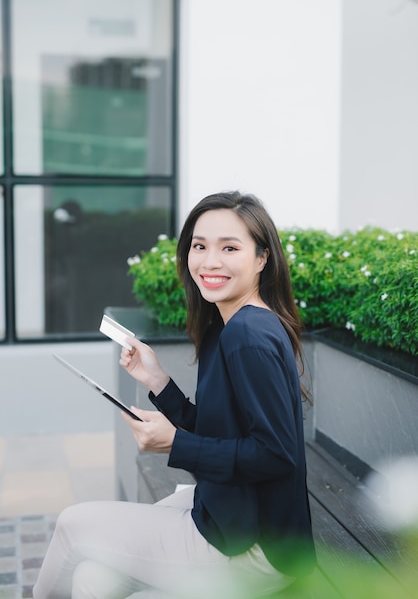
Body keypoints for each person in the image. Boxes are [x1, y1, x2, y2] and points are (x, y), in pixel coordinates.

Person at [33, 191, 316, 599]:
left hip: (251, 547)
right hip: (229, 514)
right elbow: (225, 431)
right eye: (199, 246)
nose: (209, 261)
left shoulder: (247, 335)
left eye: (229, 248)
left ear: (262, 258)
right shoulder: (233, 325)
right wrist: (158, 382)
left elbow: (275, 454)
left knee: (72, 523)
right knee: (92, 579)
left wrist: (175, 444)